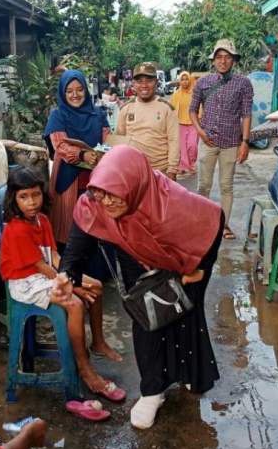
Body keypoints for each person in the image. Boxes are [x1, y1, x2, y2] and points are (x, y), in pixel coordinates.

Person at [54, 145, 224, 430]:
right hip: (134, 256)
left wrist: (201, 268)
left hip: (183, 261)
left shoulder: (170, 202)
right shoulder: (94, 202)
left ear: (134, 184)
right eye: (100, 193)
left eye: (113, 193)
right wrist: (66, 276)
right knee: (147, 320)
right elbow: (77, 248)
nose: (106, 202)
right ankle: (152, 391)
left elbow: (212, 220)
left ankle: (191, 373)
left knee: (185, 313)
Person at [0, 167, 125, 400]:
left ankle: (98, 342)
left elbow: (55, 258)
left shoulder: (43, 220)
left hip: (48, 273)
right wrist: (72, 285)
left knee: (95, 285)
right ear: (14, 199)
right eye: (24, 197)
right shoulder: (16, 230)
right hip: (26, 282)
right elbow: (42, 268)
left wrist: (70, 276)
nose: (32, 202)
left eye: (36, 195)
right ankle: (84, 369)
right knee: (75, 303)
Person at [190, 39, 254, 240]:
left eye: (227, 57)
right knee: (203, 185)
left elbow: (246, 114)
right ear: (213, 60)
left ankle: (224, 225)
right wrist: (200, 132)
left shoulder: (243, 83)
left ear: (233, 60)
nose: (223, 61)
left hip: (231, 143)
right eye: (219, 57)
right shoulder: (203, 82)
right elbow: (192, 110)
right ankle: (200, 223)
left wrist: (245, 142)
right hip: (207, 141)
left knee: (226, 185)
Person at [44, 69, 110, 245]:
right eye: (69, 91)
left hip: (97, 181)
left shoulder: (99, 114)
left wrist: (102, 155)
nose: (75, 95)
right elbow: (60, 145)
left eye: (79, 89)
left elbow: (108, 141)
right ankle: (70, 271)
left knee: (99, 231)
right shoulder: (57, 115)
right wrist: (82, 154)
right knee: (70, 231)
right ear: (63, 93)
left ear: (86, 90)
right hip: (69, 182)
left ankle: (99, 272)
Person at [116, 62, 180, 179]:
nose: (144, 85)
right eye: (139, 81)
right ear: (133, 84)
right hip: (133, 171)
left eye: (149, 81)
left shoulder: (166, 108)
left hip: (161, 172)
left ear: (156, 82)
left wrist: (172, 170)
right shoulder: (126, 109)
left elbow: (174, 140)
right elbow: (119, 141)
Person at [170, 71, 199, 176]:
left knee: (192, 146)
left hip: (193, 123)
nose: (184, 82)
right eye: (182, 79)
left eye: (186, 79)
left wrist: (199, 118)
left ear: (190, 80)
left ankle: (192, 164)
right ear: (179, 81)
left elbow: (199, 108)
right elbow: (171, 109)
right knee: (181, 147)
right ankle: (182, 166)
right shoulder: (176, 94)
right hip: (180, 123)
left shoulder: (195, 94)